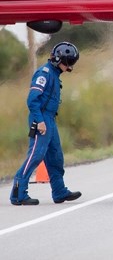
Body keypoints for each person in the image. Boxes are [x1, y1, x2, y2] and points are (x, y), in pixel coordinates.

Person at [10, 42, 82, 206]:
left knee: (55, 156)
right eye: (67, 62)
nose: (69, 67)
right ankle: (18, 193)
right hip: (41, 118)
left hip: (50, 119)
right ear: (59, 59)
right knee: (36, 155)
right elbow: (32, 100)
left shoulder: (54, 74)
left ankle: (59, 191)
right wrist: (40, 121)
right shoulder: (44, 73)